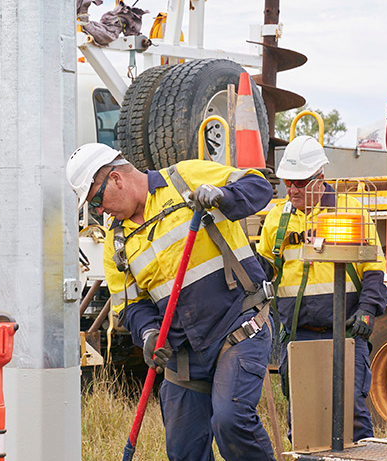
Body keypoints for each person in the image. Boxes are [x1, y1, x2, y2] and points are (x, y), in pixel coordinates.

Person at [67, 143, 275, 460]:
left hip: (238, 327)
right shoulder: (115, 243)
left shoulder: (185, 178)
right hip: (185, 353)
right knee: (183, 449)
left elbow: (259, 185)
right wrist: (149, 333)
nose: (99, 212)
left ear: (115, 179)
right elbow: (129, 306)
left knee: (231, 420)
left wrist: (222, 196)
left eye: (96, 200)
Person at [256, 136, 386, 440]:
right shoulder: (278, 218)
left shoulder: (349, 211)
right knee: (305, 420)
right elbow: (263, 270)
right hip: (297, 335)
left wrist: (367, 310)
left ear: (320, 178)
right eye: (288, 182)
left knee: (351, 414)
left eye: (300, 183)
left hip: (346, 331)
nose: (292, 189)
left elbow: (374, 270)